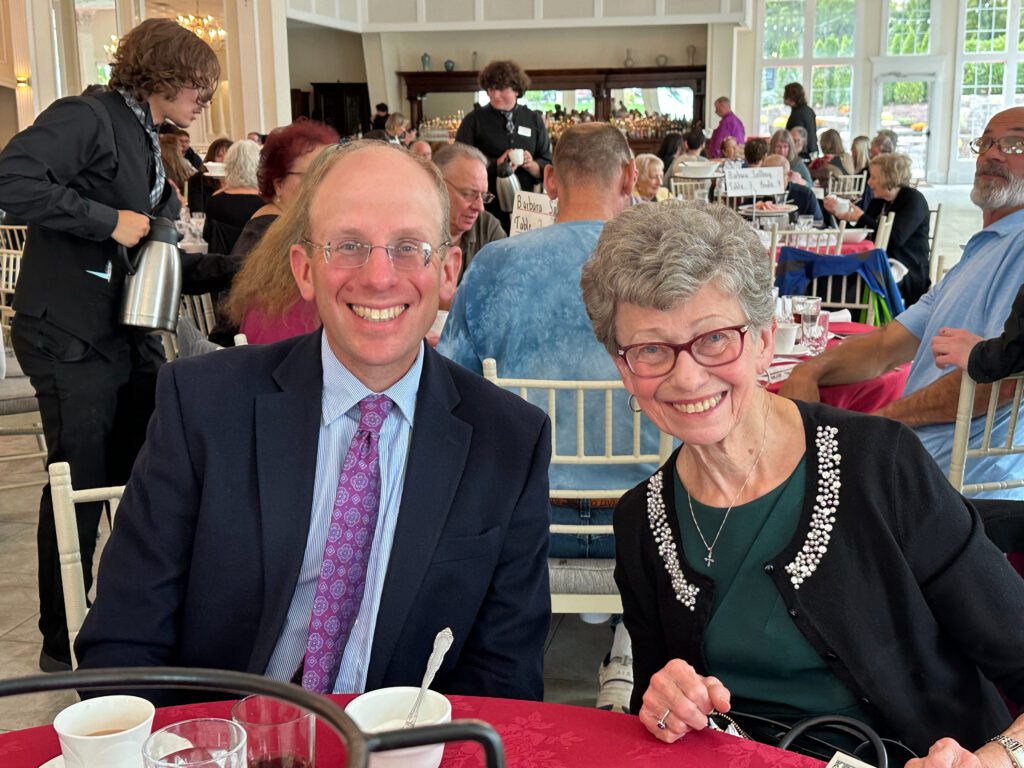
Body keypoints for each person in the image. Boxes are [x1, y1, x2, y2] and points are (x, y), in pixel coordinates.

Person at [75, 139, 552, 705]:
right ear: (305, 270)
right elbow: (123, 644)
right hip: (223, 737)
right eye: (348, 246)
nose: (379, 277)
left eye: (408, 247)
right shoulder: (202, 405)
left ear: (447, 272)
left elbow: (505, 681)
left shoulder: (508, 441)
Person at [577, 199, 1024, 759]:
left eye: (714, 338)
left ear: (765, 340)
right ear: (624, 369)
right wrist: (665, 701)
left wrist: (995, 757)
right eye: (650, 349)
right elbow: (659, 704)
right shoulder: (641, 519)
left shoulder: (881, 464)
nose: (687, 377)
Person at [0, 17, 220, 671]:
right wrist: (109, 221)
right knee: (79, 477)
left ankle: (121, 620)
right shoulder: (89, 115)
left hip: (121, 332)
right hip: (69, 331)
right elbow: (11, 180)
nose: (204, 101)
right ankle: (60, 635)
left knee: (138, 476)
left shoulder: (145, 132)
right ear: (166, 73)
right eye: (199, 87)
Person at [440, 122, 656, 715]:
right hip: (643, 525)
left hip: (527, 522)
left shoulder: (494, 264)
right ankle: (630, 648)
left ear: (552, 180)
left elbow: (451, 389)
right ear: (630, 177)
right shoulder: (657, 265)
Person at [782, 107, 1024, 497]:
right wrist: (811, 369)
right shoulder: (983, 249)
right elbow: (885, 345)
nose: (992, 154)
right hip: (916, 463)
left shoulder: (1019, 246)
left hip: (957, 487)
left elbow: (1000, 380)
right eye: (986, 142)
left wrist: (880, 424)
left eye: (1015, 144)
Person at [224, 119, 338, 344]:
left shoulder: (284, 227)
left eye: (331, 174)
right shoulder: (279, 239)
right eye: (313, 176)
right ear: (278, 184)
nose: (326, 185)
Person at [456, 59, 552, 234]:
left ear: (516, 89)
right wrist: (496, 165)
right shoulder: (474, 120)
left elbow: (547, 161)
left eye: (501, 89)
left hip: (529, 207)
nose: (495, 95)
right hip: (488, 207)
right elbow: (460, 162)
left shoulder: (533, 120)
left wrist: (533, 165)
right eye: (490, 89)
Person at [823, 152, 931, 305]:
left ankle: (854, 313)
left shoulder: (913, 199)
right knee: (835, 273)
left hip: (906, 267)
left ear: (889, 177)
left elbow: (894, 239)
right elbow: (864, 233)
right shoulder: (879, 201)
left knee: (849, 281)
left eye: (873, 177)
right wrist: (839, 215)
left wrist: (861, 217)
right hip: (876, 262)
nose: (868, 182)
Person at [433, 142, 506, 282]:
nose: (480, 207)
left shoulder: (488, 228)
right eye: (468, 194)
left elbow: (504, 284)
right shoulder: (411, 228)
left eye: (484, 196)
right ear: (437, 184)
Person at [202, 139, 264, 255]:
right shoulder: (266, 202)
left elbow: (207, 237)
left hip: (223, 262)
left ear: (229, 165)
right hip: (257, 261)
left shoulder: (215, 201)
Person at [761, 154, 822, 223]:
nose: (768, 181)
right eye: (764, 176)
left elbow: (818, 223)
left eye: (774, 177)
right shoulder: (756, 195)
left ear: (789, 175)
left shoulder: (805, 195)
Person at [784, 82, 817, 159]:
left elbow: (795, 138)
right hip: (812, 153)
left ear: (791, 96)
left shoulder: (797, 115)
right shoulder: (809, 110)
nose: (783, 97)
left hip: (801, 155)